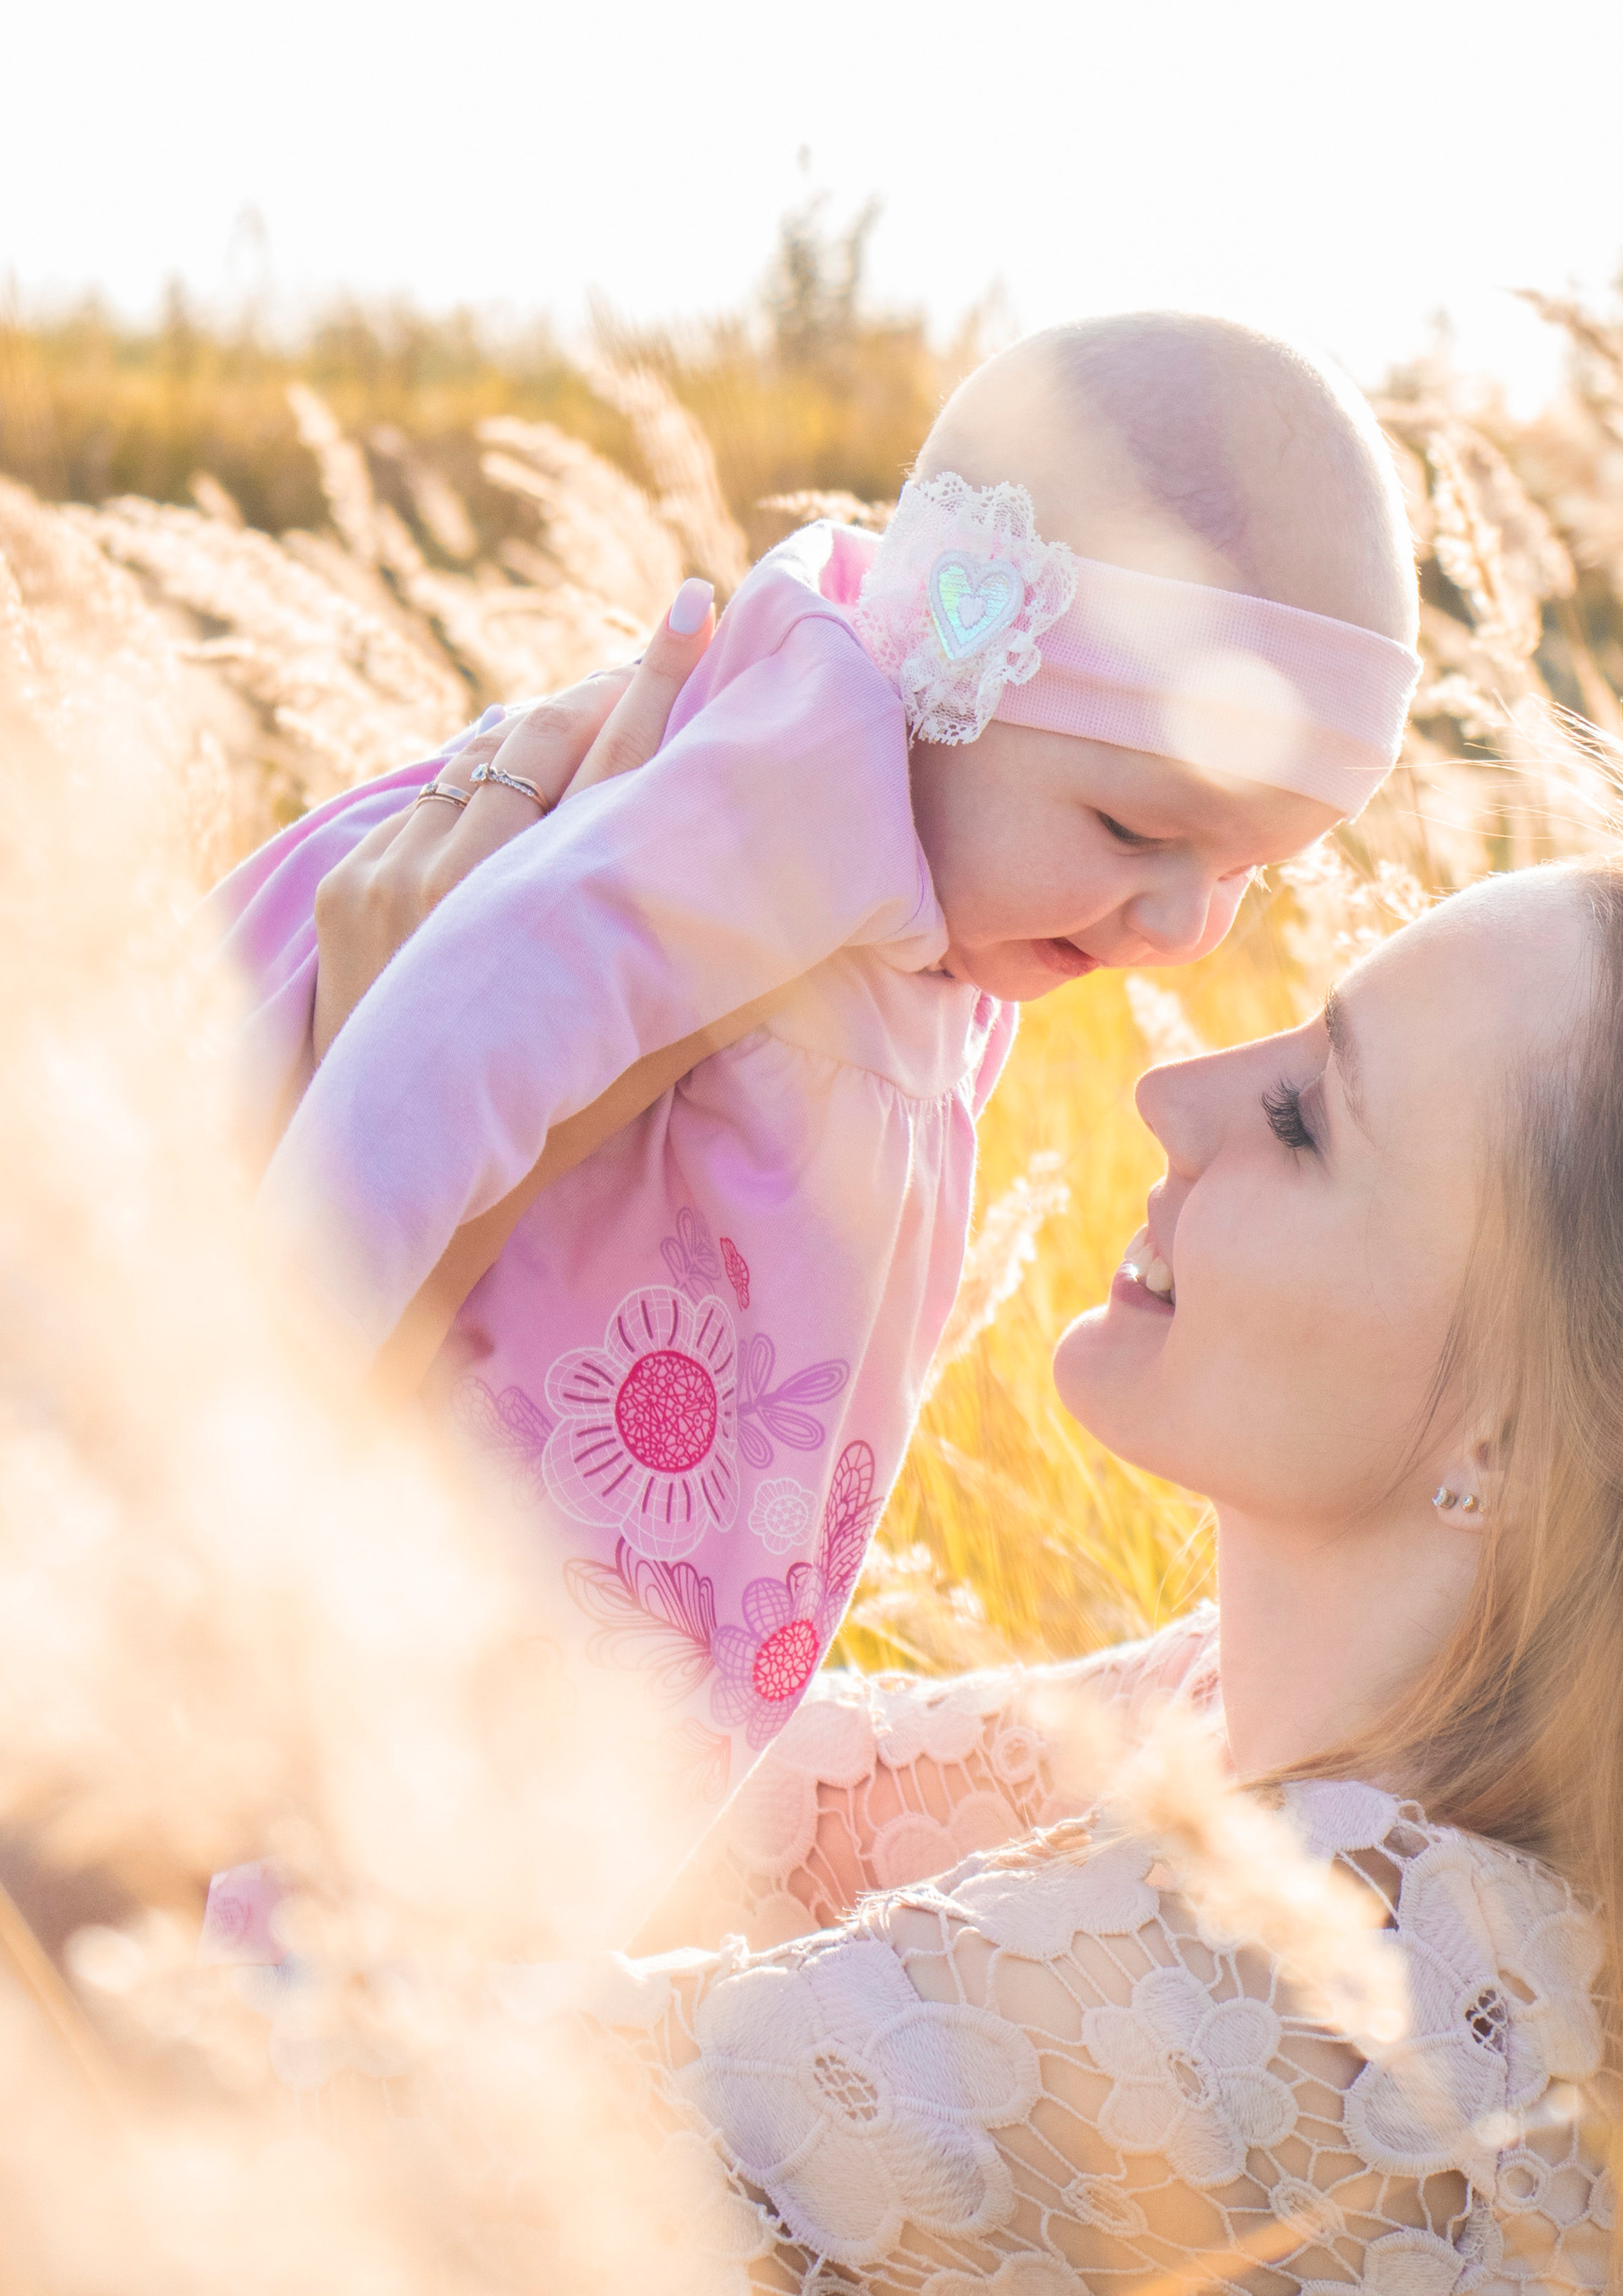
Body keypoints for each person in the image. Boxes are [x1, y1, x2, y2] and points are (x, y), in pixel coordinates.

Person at [571, 849, 1623, 2296]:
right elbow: (690, 1793)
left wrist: (403, 1155)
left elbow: (397, 2158)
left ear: (1523, 1435)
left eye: (1306, 1118)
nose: (1171, 1094)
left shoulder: (1340, 1991)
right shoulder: (1347, 1759)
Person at [202, 315, 1423, 1881]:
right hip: (374, 1478)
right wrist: (242, 1390)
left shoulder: (944, 906)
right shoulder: (802, 771)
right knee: (327, 1866)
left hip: (588, 1588)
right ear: (951, 667)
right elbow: (458, 1031)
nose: (1186, 925)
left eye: (1251, 872)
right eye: (1136, 828)